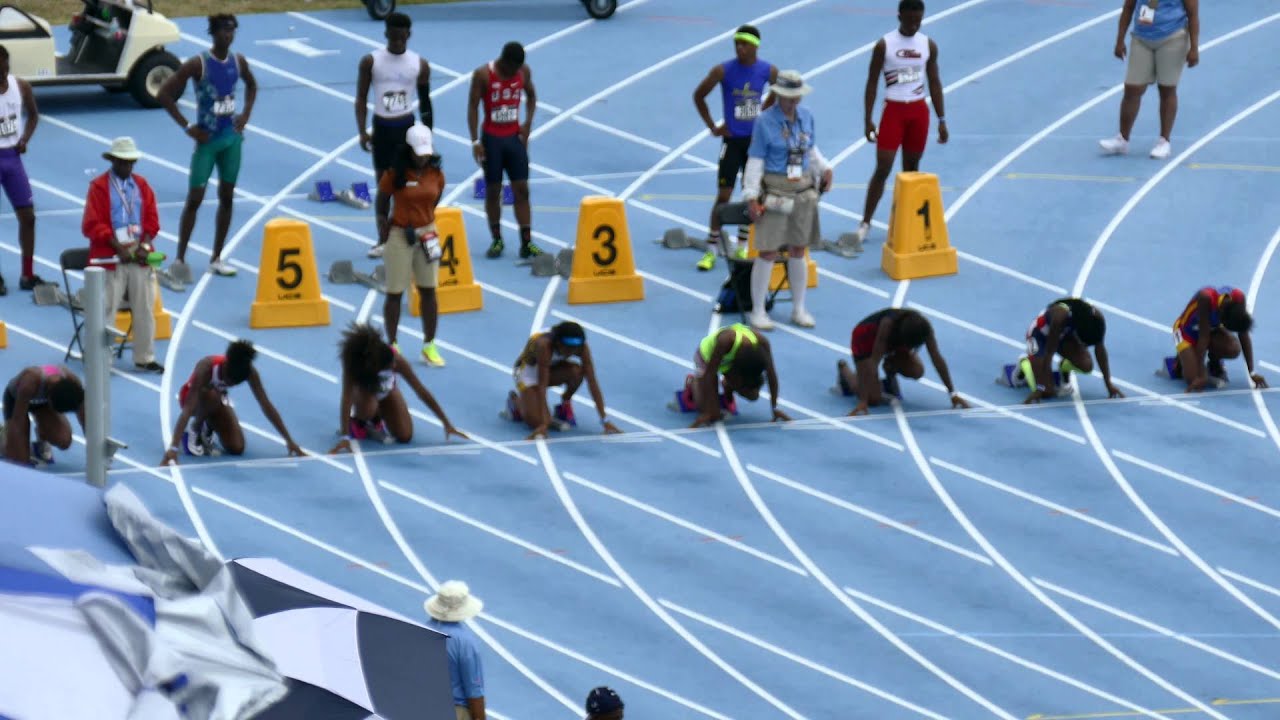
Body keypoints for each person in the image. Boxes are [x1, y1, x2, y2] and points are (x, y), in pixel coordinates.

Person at [158, 13, 257, 277]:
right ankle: (179, 259)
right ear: (213, 33)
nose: (229, 35)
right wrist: (188, 126)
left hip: (231, 141)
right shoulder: (198, 64)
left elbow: (252, 85)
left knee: (227, 197)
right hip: (208, 142)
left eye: (233, 31)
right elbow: (164, 94)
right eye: (224, 31)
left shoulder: (239, 61)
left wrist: (245, 114)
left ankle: (216, 257)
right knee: (195, 199)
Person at [849, 0, 948, 248]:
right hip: (893, 110)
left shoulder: (928, 45)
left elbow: (934, 82)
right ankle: (865, 223)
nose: (915, 24)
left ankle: (905, 223)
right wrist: (867, 119)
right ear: (899, 16)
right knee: (883, 167)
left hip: (918, 112)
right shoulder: (885, 45)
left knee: (911, 171)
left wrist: (942, 119)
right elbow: (871, 83)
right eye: (910, 19)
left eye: (919, 19)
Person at [742, 69, 832, 330]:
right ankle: (758, 310)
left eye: (796, 97)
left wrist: (825, 169)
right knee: (768, 250)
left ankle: (798, 308)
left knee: (798, 249)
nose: (793, 102)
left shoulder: (807, 117)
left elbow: (810, 151)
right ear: (778, 95)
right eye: (788, 97)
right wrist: (751, 197)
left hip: (803, 191)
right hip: (776, 193)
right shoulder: (764, 122)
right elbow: (755, 161)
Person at [691, 24, 777, 272]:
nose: (740, 48)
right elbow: (698, 95)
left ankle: (741, 245)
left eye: (745, 44)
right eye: (736, 44)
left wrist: (766, 108)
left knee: (750, 196)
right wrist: (712, 127)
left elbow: (781, 89)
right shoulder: (723, 70)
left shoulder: (766, 70)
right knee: (724, 196)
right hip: (731, 142)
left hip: (755, 145)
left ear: (755, 46)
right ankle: (711, 249)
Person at [81, 136, 165, 373]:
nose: (127, 167)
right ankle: (101, 358)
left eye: (131, 163)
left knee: (145, 306)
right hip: (110, 253)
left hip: (138, 252)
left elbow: (152, 220)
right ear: (114, 161)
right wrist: (118, 247)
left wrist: (144, 246)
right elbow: (91, 224)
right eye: (123, 162)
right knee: (106, 308)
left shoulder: (142, 185)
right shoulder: (98, 187)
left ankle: (145, 356)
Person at [356, 12, 432, 260]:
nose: (398, 41)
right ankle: (383, 239)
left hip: (406, 129)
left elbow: (426, 103)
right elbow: (360, 99)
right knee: (384, 186)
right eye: (394, 36)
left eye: (402, 37)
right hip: (382, 130)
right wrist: (361, 131)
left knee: (409, 186)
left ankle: (412, 233)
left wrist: (427, 136)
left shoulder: (419, 64)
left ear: (409, 35)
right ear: (386, 33)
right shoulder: (371, 61)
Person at [161, 340, 303, 465]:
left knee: (237, 447)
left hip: (216, 403)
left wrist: (289, 440)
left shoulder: (249, 372)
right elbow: (187, 409)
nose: (229, 383)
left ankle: (208, 425)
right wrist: (173, 448)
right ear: (226, 363)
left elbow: (265, 404)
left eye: (235, 382)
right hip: (191, 400)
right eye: (228, 378)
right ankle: (195, 428)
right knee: (213, 395)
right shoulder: (206, 367)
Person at [330, 323, 465, 453]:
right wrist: (345, 436)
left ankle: (378, 416)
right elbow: (346, 398)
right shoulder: (354, 365)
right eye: (390, 367)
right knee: (369, 408)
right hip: (365, 394)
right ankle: (362, 422)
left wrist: (446, 423)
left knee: (405, 436)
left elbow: (421, 391)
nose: (394, 366)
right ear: (376, 367)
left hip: (387, 392)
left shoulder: (397, 361)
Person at [378, 123, 447, 367]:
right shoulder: (395, 174)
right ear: (408, 150)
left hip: (428, 233)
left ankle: (429, 345)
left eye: (426, 152)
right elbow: (382, 200)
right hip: (399, 234)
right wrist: (384, 229)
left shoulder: (435, 173)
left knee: (429, 290)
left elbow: (436, 197)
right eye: (419, 153)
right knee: (395, 292)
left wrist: (423, 220)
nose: (423, 157)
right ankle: (393, 344)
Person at [468, 41, 542, 260]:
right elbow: (472, 106)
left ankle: (526, 243)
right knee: (493, 190)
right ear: (504, 61)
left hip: (514, 139)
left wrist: (527, 123)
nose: (514, 74)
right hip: (491, 140)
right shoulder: (482, 75)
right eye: (511, 69)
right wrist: (474, 141)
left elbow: (532, 96)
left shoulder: (523, 71)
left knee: (522, 190)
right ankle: (497, 239)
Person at [1099, 0, 1199, 159]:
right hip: (1141, 39)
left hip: (1173, 37)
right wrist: (1120, 40)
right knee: (1132, 89)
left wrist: (1194, 48)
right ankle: (1122, 139)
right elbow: (1128, 8)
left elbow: (1193, 14)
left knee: (1167, 89)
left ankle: (1164, 141)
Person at [505, 321, 622, 440]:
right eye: (567, 348)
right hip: (527, 372)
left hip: (552, 367)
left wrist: (605, 420)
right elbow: (542, 384)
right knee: (536, 421)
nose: (570, 352)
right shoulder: (543, 345)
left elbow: (592, 382)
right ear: (557, 342)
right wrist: (543, 424)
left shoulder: (581, 347)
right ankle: (515, 403)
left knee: (577, 372)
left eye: (574, 349)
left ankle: (564, 405)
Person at [841, 308, 968, 415]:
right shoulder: (887, 325)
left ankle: (889, 378)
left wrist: (952, 393)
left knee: (917, 371)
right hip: (865, 341)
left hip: (894, 343)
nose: (912, 350)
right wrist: (863, 400)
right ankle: (844, 370)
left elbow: (937, 359)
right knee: (873, 399)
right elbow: (874, 362)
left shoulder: (924, 329)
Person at [677, 323, 790, 428]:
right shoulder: (725, 340)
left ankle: (727, 385)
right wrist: (709, 410)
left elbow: (772, 376)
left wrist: (775, 407)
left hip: (730, 364)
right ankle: (694, 382)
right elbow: (710, 375)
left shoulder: (763, 343)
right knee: (713, 416)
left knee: (752, 395)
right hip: (706, 359)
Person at [1015, 298, 1123, 404]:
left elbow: (1100, 350)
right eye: (1083, 343)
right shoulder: (1059, 317)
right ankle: (1025, 362)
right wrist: (1040, 387)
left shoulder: (1097, 319)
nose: (1084, 347)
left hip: (1065, 336)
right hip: (1038, 336)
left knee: (1086, 365)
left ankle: (1064, 367)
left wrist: (1108, 384)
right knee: (1046, 392)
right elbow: (1049, 353)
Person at [0, 45, 44, 293]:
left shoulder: (21, 87)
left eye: (4, 68)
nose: (1, 74)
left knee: (28, 217)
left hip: (13, 159)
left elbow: (34, 116)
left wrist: (25, 138)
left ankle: (27, 274)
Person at [1166, 286, 1266, 391]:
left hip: (1210, 330)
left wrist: (1251, 372)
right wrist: (1201, 374)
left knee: (1233, 349)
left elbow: (1244, 335)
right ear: (1222, 318)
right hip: (1185, 332)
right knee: (1193, 379)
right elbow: (1203, 338)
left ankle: (1214, 363)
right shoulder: (1206, 298)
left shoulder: (1239, 298)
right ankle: (1179, 360)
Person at [423, 581, 486, 720]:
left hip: (424, 705)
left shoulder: (421, 632)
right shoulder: (465, 643)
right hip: (454, 711)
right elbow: (474, 691)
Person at [2, 365, 84, 467]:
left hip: (42, 405)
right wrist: (15, 443)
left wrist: (95, 453)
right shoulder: (29, 383)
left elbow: (84, 418)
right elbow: (18, 422)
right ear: (49, 397)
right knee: (19, 463)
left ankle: (40, 441)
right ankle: (3, 440)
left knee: (64, 440)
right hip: (16, 400)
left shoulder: (73, 382)